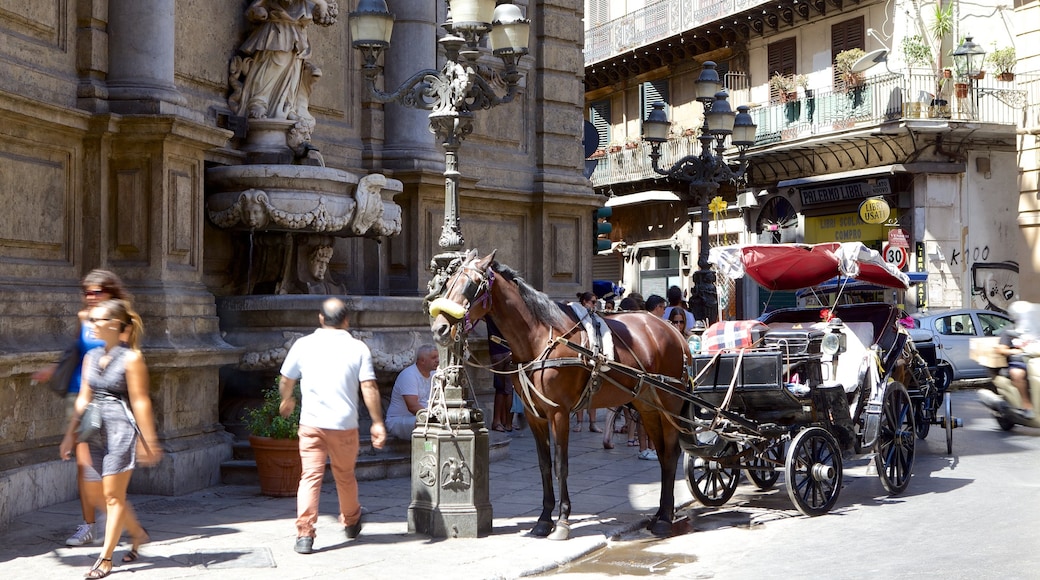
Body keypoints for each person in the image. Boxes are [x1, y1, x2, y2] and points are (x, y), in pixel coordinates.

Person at [62, 298, 162, 578]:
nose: (91, 325)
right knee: (96, 493)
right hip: (92, 430)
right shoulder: (90, 357)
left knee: (113, 497)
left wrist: (149, 440)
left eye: (97, 320)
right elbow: (83, 398)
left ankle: (106, 558)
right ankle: (138, 533)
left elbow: (140, 400)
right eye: (91, 320)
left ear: (116, 325)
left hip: (120, 430)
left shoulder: (132, 358)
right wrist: (70, 434)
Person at [278, 297, 386, 554]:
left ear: (321, 318)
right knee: (345, 476)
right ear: (346, 320)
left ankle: (305, 534)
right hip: (344, 425)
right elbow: (368, 386)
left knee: (310, 477)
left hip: (311, 423)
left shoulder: (303, 344)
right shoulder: (358, 348)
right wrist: (377, 422)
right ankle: (350, 521)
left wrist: (287, 399)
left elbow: (286, 379)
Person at [34, 270, 132, 548]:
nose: (90, 297)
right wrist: (52, 370)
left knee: (109, 463)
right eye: (87, 291)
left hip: (108, 397)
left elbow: (127, 357)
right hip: (79, 395)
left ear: (110, 292)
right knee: (84, 463)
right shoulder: (83, 319)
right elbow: (76, 353)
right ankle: (89, 524)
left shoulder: (121, 321)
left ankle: (112, 515)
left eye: (97, 291)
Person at [230, 0, 337, 138]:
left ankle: (286, 107)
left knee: (293, 72)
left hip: (297, 31)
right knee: (273, 65)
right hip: (277, 28)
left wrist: (321, 5)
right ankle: (258, 101)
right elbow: (256, 7)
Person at [385, 345, 439, 439]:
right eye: (433, 358)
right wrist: (434, 418)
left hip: (424, 416)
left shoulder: (434, 374)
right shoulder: (409, 375)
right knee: (429, 425)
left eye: (438, 357)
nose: (437, 360)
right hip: (398, 421)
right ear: (422, 360)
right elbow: (413, 407)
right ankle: (426, 451)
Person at [996, 301, 1035, 420]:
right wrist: (1015, 351)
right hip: (1017, 364)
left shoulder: (1033, 331)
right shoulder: (1008, 332)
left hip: (1034, 361)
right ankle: (1027, 406)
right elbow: (1001, 349)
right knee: (1017, 374)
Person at [571, 292, 602, 433]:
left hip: (595, 355)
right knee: (581, 391)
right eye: (593, 302)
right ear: (585, 302)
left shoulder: (594, 317)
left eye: (596, 302)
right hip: (582, 357)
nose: (595, 305)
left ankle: (593, 423)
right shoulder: (578, 315)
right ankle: (579, 422)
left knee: (593, 392)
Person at [486, 318, 514, 432]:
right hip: (509, 351)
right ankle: (508, 423)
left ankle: (497, 420)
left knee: (500, 388)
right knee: (509, 389)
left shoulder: (491, 312)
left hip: (496, 352)